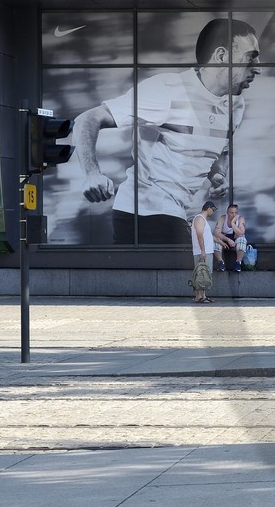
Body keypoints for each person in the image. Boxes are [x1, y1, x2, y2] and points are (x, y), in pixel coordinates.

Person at [72, 17, 261, 245]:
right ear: (221, 57)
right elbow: (88, 118)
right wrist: (92, 173)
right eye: (250, 59)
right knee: (196, 269)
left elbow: (220, 152)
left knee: (200, 264)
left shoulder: (235, 106)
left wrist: (218, 175)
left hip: (176, 213)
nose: (258, 68)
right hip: (143, 211)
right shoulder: (166, 91)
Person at [189, 201, 216, 304]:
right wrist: (203, 250)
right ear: (208, 208)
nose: (213, 212)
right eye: (213, 210)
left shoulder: (202, 219)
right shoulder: (200, 218)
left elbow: (207, 236)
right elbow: (199, 235)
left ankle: (202, 295)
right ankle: (199, 296)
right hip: (203, 251)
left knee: (204, 274)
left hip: (205, 250)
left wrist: (220, 241)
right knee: (201, 273)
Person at [215, 203, 247, 271]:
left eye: (235, 212)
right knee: (216, 240)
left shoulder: (241, 219)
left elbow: (241, 233)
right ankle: (221, 262)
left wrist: (233, 223)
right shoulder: (223, 218)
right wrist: (228, 240)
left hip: (236, 238)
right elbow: (216, 233)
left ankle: (238, 263)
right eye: (231, 213)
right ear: (227, 212)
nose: (234, 215)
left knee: (242, 240)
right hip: (225, 238)